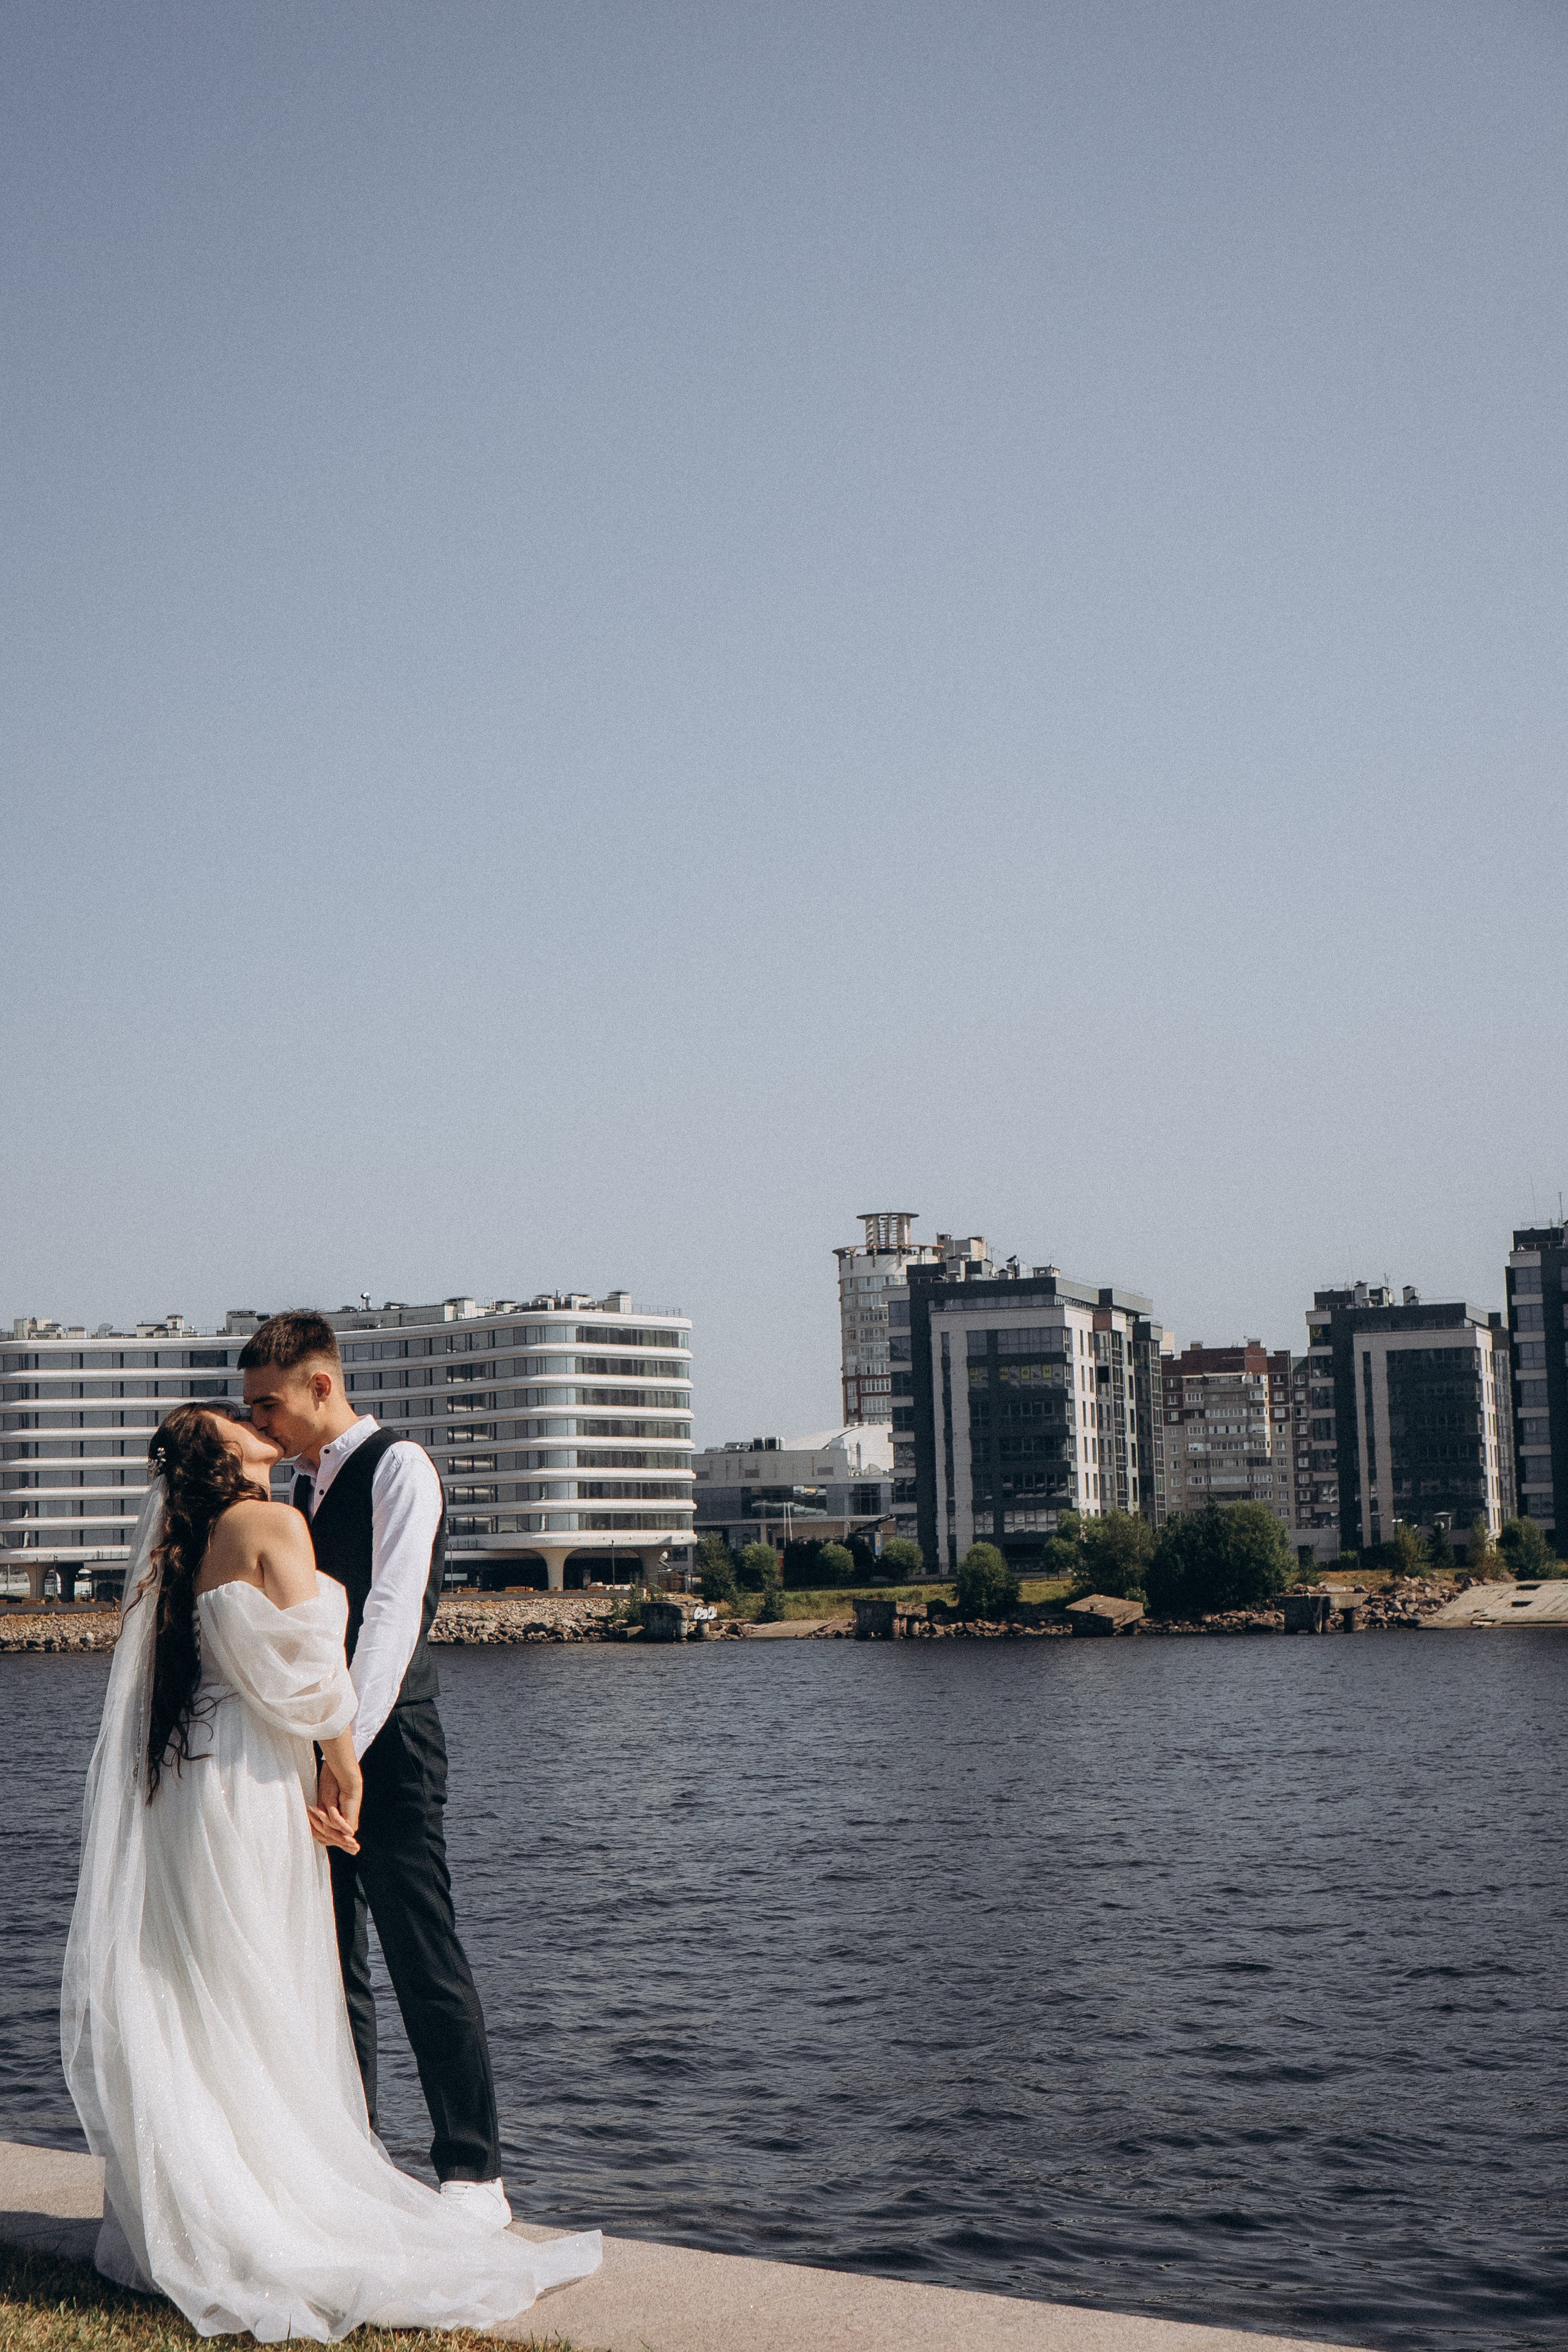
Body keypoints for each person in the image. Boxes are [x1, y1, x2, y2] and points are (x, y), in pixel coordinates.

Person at [61, 1400, 599, 2341]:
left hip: (186, 1788)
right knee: (270, 1977)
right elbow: (317, 1672)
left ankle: (197, 2200)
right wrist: (341, 1763)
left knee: (203, 1985)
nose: (253, 1420)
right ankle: (283, 2199)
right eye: (238, 1420)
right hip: (256, 1777)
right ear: (227, 1456)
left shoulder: (174, 1551)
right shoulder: (274, 1521)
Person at [235, 1311, 504, 2217]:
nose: (260, 1423)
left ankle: (473, 2173)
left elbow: (392, 1620)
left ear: (322, 1384)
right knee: (332, 1959)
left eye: (268, 1404)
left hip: (386, 1750)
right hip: (310, 1750)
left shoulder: (401, 1466)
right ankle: (354, 2160)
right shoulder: (293, 1493)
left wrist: (341, 1748)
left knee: (421, 1951)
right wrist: (309, 1749)